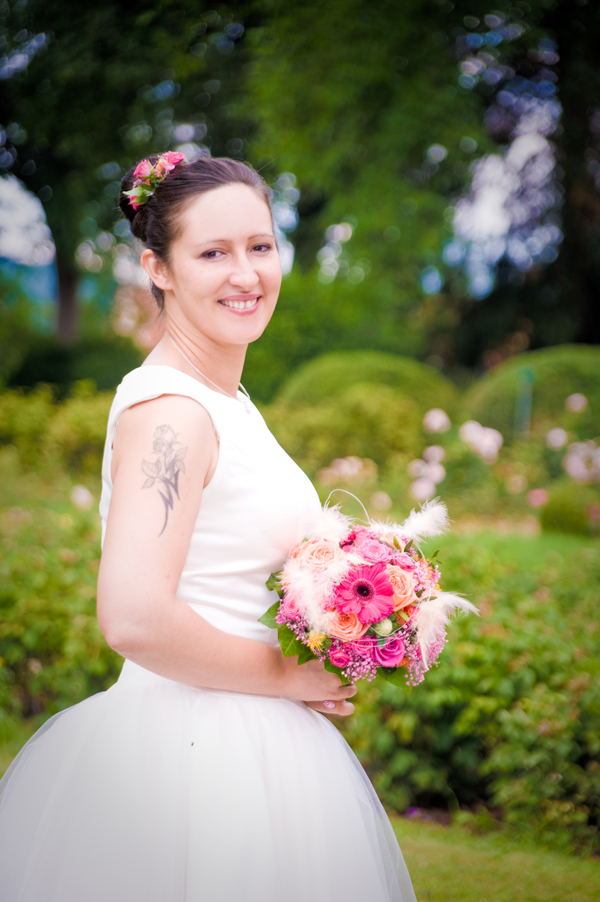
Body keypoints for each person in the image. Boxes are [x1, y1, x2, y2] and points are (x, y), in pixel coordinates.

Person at [0, 152, 417, 901]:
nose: (247, 274)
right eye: (213, 253)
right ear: (157, 267)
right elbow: (132, 615)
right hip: (191, 760)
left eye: (260, 246)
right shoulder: (172, 415)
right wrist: (290, 674)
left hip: (251, 741)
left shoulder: (226, 400)